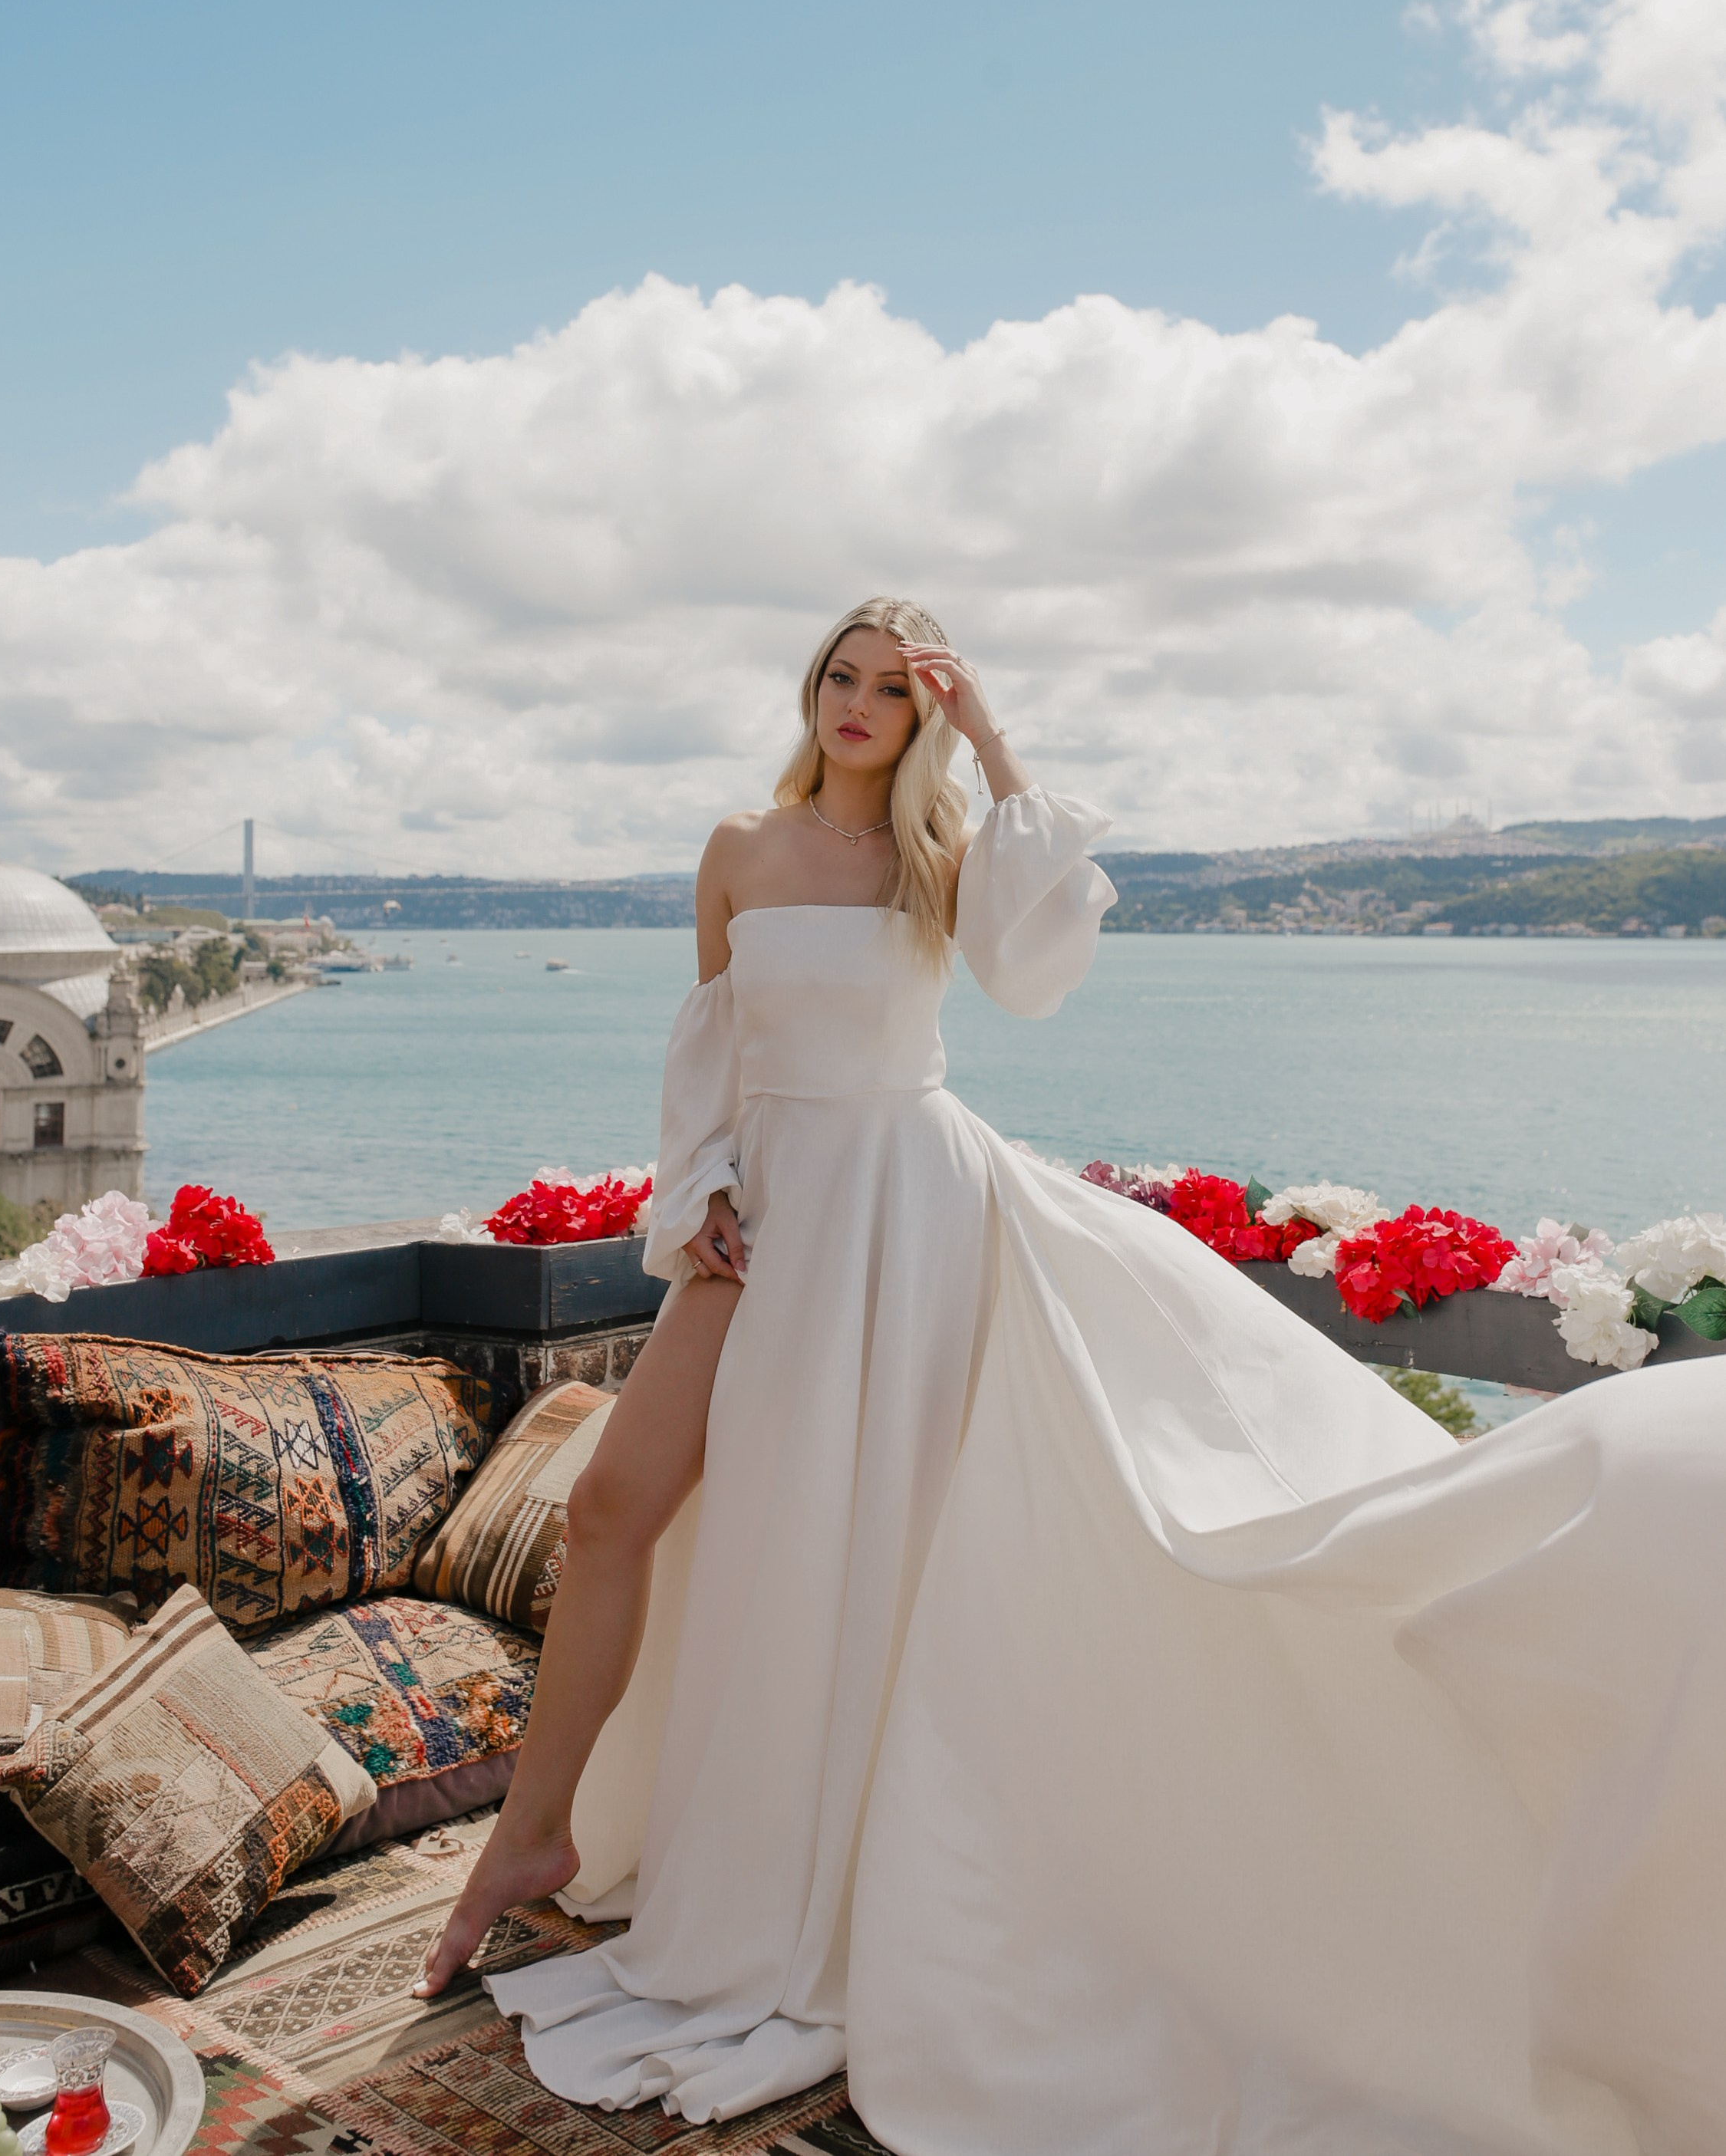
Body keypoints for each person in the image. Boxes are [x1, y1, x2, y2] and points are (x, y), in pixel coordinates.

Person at [417, 596, 1726, 2156]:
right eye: (841, 676)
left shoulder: (938, 857)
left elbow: (1033, 972)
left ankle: (740, 1855)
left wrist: (987, 733)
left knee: (853, 1552)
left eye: (893, 687)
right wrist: (693, 1180)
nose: (857, 703)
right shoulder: (736, 848)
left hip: (913, 1217)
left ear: (921, 712)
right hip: (763, 1225)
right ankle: (538, 1829)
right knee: (613, 1504)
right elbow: (707, 1042)